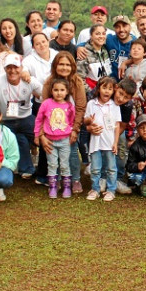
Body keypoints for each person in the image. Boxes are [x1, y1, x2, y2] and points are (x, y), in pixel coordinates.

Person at [41, 52, 88, 193]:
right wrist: (42, 134)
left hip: (71, 125)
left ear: (73, 67)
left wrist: (75, 129)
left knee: (72, 152)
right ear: (55, 66)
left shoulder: (77, 82)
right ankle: (59, 179)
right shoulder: (49, 82)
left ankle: (75, 180)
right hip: (53, 126)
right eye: (61, 64)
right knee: (55, 154)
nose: (64, 67)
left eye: (68, 65)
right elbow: (44, 109)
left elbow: (80, 107)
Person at [0, 53, 38, 179]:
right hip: (6, 120)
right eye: (9, 67)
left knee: (42, 137)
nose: (13, 70)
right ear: (4, 69)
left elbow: (45, 94)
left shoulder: (29, 80)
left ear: (21, 68)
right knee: (19, 139)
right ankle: (25, 168)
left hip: (26, 118)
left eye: (16, 67)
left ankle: (45, 169)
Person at [35, 77, 76, 199]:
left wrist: (72, 131)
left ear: (67, 91)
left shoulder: (69, 105)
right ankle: (52, 187)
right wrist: (37, 134)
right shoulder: (46, 104)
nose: (59, 93)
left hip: (64, 141)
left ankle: (66, 187)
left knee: (64, 164)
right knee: (52, 164)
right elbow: (39, 119)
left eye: (62, 90)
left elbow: (72, 120)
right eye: (56, 90)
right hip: (50, 141)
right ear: (51, 91)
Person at [83, 77, 123, 201]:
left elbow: (117, 126)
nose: (106, 91)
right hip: (95, 142)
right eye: (104, 88)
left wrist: (116, 143)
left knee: (111, 168)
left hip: (109, 143)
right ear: (98, 88)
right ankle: (95, 189)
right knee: (95, 168)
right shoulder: (91, 104)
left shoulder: (115, 106)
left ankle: (111, 190)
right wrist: (89, 121)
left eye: (110, 89)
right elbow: (85, 120)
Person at [22, 32, 58, 102]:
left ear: (48, 41)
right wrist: (25, 73)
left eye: (43, 42)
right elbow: (24, 69)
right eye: (37, 44)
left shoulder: (57, 55)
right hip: (40, 98)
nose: (42, 45)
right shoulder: (29, 59)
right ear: (33, 47)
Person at [77, 24, 113, 91]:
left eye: (103, 34)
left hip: (105, 92)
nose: (101, 36)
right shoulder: (84, 52)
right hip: (92, 94)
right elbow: (79, 78)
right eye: (97, 34)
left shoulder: (105, 50)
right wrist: (92, 93)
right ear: (91, 36)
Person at [105, 16, 135, 80]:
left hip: (128, 83)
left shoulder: (136, 42)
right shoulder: (109, 39)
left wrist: (126, 62)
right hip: (111, 82)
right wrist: (80, 46)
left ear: (130, 27)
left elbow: (143, 57)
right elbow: (94, 41)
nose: (121, 29)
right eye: (117, 27)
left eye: (124, 26)